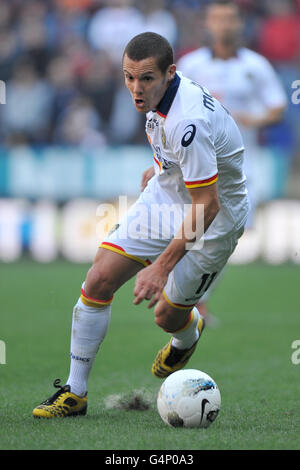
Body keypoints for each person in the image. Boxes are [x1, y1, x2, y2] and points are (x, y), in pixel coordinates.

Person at [32, 31, 249, 418]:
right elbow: (179, 150)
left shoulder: (189, 123)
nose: (135, 87)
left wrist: (161, 268)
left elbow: (208, 204)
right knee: (98, 279)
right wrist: (160, 168)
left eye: (146, 78)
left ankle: (187, 333)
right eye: (128, 76)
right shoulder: (159, 100)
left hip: (216, 218)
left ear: (170, 73)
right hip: (170, 193)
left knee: (166, 316)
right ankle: (75, 393)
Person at [176, 0, 287, 320]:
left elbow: (277, 106)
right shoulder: (191, 65)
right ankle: (191, 301)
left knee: (230, 233)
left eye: (230, 19)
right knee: (195, 229)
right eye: (217, 19)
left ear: (239, 24)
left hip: (241, 163)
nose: (224, 25)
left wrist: (250, 119)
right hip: (197, 162)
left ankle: (193, 297)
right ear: (206, 25)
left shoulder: (255, 65)